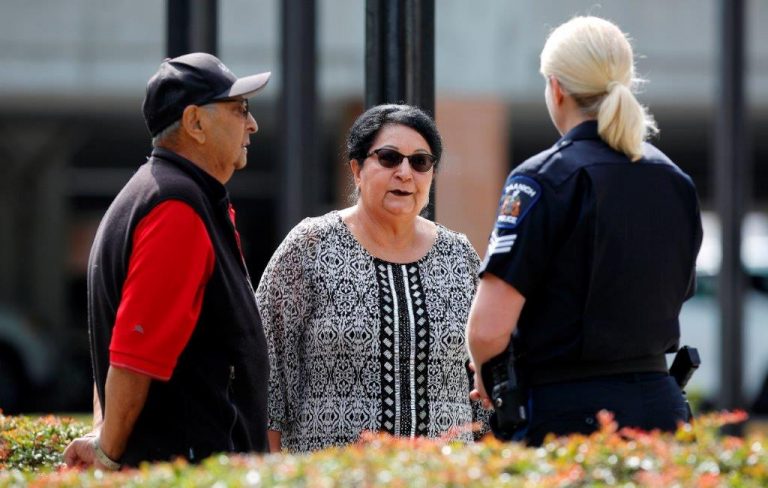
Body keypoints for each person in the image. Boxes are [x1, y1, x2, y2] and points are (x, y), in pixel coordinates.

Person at [466, 16, 703, 446]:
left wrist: (489, 381)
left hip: (566, 416)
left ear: (556, 88)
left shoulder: (542, 179)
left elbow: (487, 330)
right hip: (661, 412)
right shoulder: (675, 180)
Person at [63, 52, 272, 469]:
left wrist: (106, 430)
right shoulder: (176, 205)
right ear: (195, 123)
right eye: (239, 109)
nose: (252, 124)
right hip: (190, 471)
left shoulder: (162, 193)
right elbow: (132, 355)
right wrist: (108, 450)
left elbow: (117, 348)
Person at [256, 104, 490, 453]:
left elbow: (484, 380)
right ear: (357, 169)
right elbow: (266, 372)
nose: (405, 173)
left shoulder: (459, 256)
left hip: (443, 474)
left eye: (420, 162)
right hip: (335, 477)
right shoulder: (310, 247)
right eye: (389, 158)